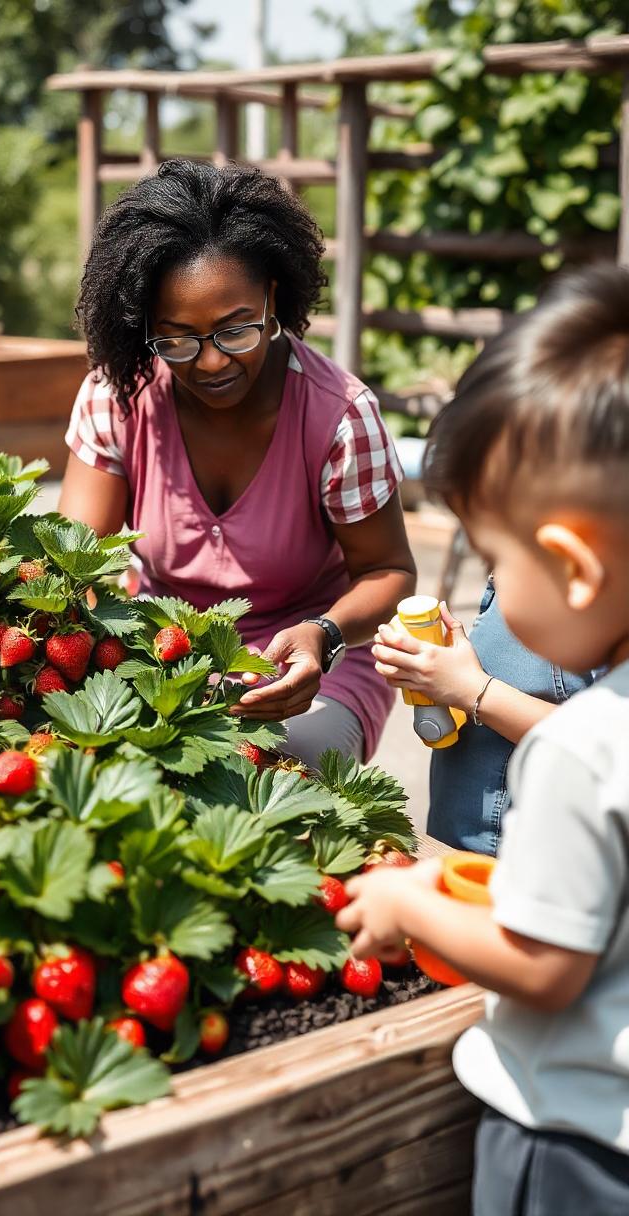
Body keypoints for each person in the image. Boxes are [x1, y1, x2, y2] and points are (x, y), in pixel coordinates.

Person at [336, 263, 629, 1215]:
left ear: (575, 567)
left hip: (575, 1145)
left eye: (497, 564)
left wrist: (408, 905)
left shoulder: (587, 747)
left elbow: (546, 967)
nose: (489, 592)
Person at [58, 159, 416, 768]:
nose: (213, 362)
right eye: (178, 338)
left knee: (283, 761)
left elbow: (389, 573)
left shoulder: (339, 415)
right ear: (143, 324)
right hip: (165, 654)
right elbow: (70, 562)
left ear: (273, 299)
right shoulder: (117, 397)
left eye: (235, 329)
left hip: (309, 668)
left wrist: (323, 636)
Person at [372, 583, 595, 853]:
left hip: (516, 863)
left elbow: (605, 745)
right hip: (458, 829)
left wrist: (473, 689)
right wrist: (436, 674)